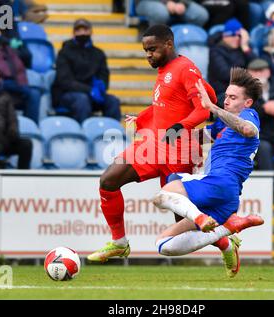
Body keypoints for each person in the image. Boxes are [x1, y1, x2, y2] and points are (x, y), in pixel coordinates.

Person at [87, 24, 218, 262]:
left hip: (179, 151)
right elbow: (167, 105)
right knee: (108, 180)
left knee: (184, 222)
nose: (149, 54)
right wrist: (144, 118)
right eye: (146, 50)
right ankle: (119, 243)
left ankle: (226, 240)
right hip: (153, 146)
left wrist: (181, 126)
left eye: (153, 49)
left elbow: (204, 108)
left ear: (169, 44)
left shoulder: (186, 69)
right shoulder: (166, 69)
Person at [151, 68, 264, 278]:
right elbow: (198, 136)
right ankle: (225, 234)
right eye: (226, 96)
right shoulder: (225, 124)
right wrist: (166, 130)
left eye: (233, 97)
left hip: (220, 183)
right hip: (224, 196)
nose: (227, 101)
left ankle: (206, 220)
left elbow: (248, 130)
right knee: (164, 245)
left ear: (247, 102)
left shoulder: (249, 115)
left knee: (162, 196)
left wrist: (212, 107)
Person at [52, 19, 121, 124]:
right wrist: (89, 90)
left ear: (91, 32)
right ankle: (84, 135)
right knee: (82, 100)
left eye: (85, 30)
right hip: (68, 94)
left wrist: (101, 87)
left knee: (113, 101)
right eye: (78, 30)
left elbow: (104, 75)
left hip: (92, 93)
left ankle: (113, 134)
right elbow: (65, 81)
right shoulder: (64, 52)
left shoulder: (98, 53)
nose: (82, 33)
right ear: (74, 33)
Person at [208, 18, 255, 105]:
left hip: (241, 92)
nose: (237, 38)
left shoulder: (242, 49)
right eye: (233, 35)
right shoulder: (216, 51)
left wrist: (245, 47)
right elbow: (226, 74)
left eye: (239, 36)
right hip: (222, 94)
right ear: (225, 36)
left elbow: (257, 66)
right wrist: (249, 74)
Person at [135, 0, 209, 27]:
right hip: (148, 2)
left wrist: (183, 3)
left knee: (201, 15)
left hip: (177, 2)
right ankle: (155, 43)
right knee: (161, 13)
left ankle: (185, 42)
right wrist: (166, 2)